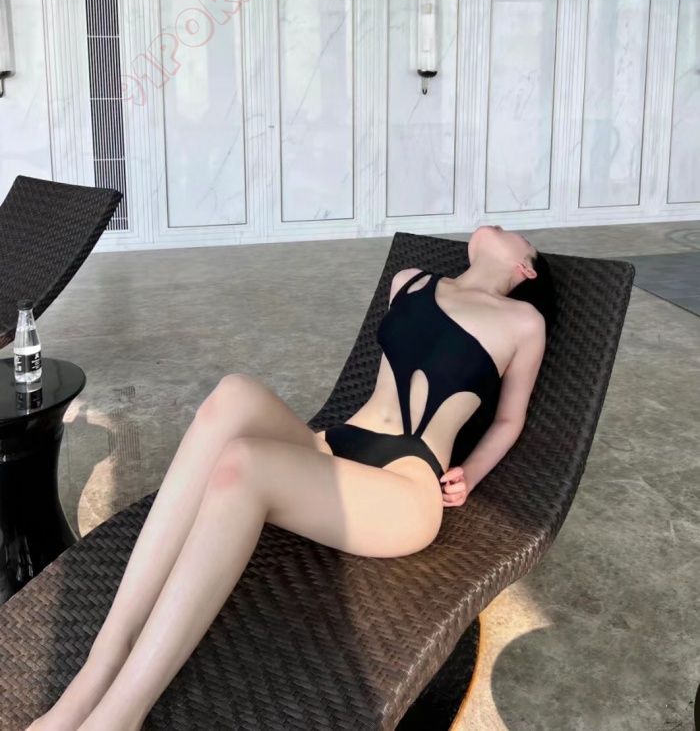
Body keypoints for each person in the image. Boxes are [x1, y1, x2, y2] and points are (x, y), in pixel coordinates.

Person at [28, 224, 553, 731]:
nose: (498, 223)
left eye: (516, 233)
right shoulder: (410, 281)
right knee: (233, 393)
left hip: (404, 485)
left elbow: (508, 421)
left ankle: (120, 715)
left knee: (244, 464)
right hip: (335, 444)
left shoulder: (523, 321)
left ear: (524, 267)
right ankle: (104, 661)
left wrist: (470, 474)